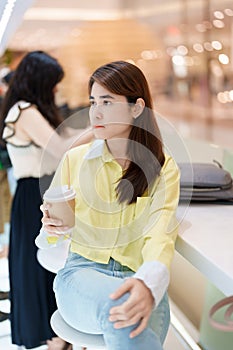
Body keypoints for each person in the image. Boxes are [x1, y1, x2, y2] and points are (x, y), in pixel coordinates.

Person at [41, 61, 180, 350]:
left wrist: (147, 284)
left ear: (136, 108)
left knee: (135, 324)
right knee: (125, 315)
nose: (96, 112)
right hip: (81, 275)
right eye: (93, 102)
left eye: (107, 101)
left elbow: (160, 234)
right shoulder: (74, 161)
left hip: (138, 278)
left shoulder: (163, 168)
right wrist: (52, 229)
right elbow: (49, 241)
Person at [0, 51, 93, 350]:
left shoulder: (25, 109)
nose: (55, 90)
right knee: (42, 266)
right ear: (40, 81)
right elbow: (60, 148)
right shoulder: (24, 111)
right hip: (34, 196)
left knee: (43, 266)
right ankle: (54, 337)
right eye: (52, 83)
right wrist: (100, 126)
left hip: (37, 193)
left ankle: (57, 336)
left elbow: (61, 139)